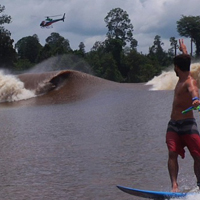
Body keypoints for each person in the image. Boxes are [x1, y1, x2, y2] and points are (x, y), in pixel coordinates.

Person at [166, 39, 200, 192]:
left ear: (177, 68)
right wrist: (184, 50)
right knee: (172, 154)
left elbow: (194, 91)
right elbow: (186, 61)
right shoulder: (183, 76)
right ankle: (174, 185)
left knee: (198, 155)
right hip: (173, 124)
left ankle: (199, 185)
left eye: (175, 66)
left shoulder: (189, 82)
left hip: (188, 124)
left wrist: (195, 100)